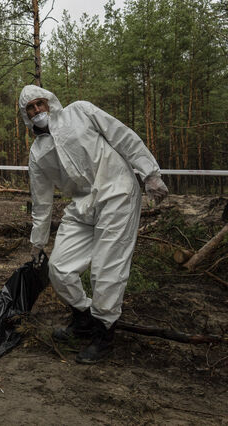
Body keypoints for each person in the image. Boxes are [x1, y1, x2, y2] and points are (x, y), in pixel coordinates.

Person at [20, 85, 168, 364]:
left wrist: (149, 173)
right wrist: (37, 243)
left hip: (117, 193)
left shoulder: (80, 112)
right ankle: (84, 317)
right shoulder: (37, 153)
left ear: (50, 102)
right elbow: (41, 201)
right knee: (59, 268)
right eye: (31, 107)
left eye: (40, 103)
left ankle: (104, 333)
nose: (37, 110)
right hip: (82, 205)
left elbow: (121, 135)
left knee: (106, 269)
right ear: (25, 115)